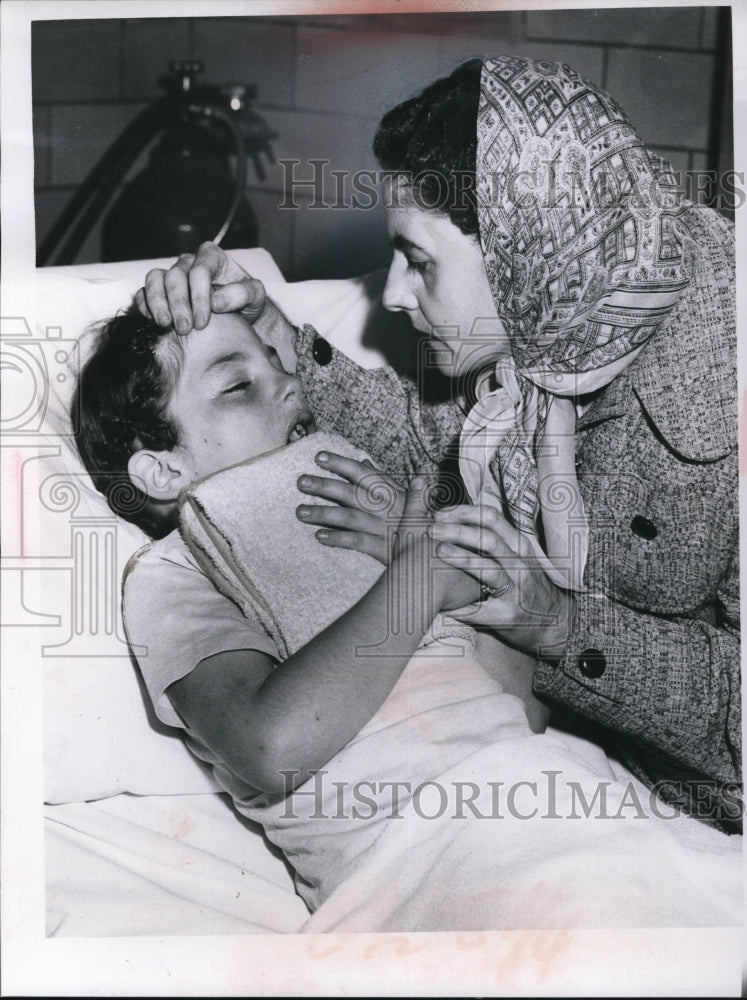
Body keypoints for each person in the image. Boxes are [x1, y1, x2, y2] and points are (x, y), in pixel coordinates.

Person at [138, 56, 741, 830]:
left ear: (527, 249)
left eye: (418, 261)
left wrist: (560, 624)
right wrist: (271, 335)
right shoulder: (566, 320)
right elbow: (435, 446)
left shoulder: (724, 376)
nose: (391, 293)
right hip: (594, 781)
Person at [74, 287, 741, 934]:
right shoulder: (175, 572)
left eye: (275, 361)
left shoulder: (378, 513)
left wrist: (452, 574)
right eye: (236, 386)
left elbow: (528, 708)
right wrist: (418, 577)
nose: (287, 384)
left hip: (562, 792)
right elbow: (268, 746)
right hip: (419, 855)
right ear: (162, 471)